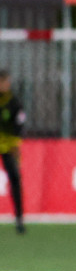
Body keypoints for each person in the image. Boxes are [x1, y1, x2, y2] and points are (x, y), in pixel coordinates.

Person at [0, 70, 24, 234]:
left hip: (8, 146)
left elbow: (19, 124)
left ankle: (19, 218)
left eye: (5, 81)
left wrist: (16, 144)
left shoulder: (14, 103)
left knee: (15, 177)